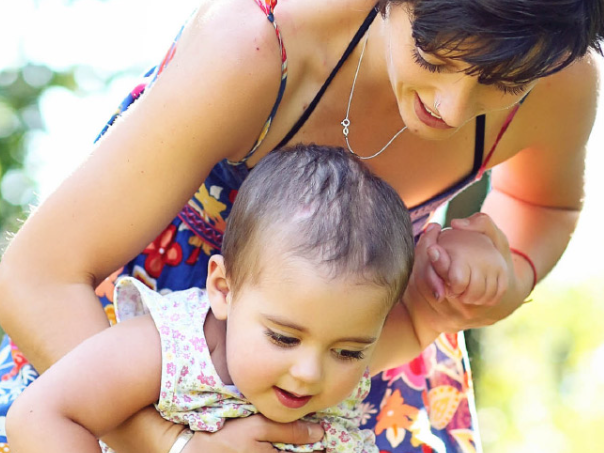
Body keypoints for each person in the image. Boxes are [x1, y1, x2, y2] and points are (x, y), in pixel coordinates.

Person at [0, 0, 601, 451]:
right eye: (432, 58)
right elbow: (36, 277)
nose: (449, 109)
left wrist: (505, 274)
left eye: (502, 83)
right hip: (115, 353)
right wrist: (175, 441)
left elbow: (546, 206)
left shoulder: (559, 77)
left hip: (359, 361)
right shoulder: (257, 48)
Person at [7, 144, 424, 453]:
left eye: (349, 352)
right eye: (283, 338)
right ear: (224, 289)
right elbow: (41, 414)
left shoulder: (339, 356)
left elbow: (422, 326)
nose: (309, 372)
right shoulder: (176, 348)